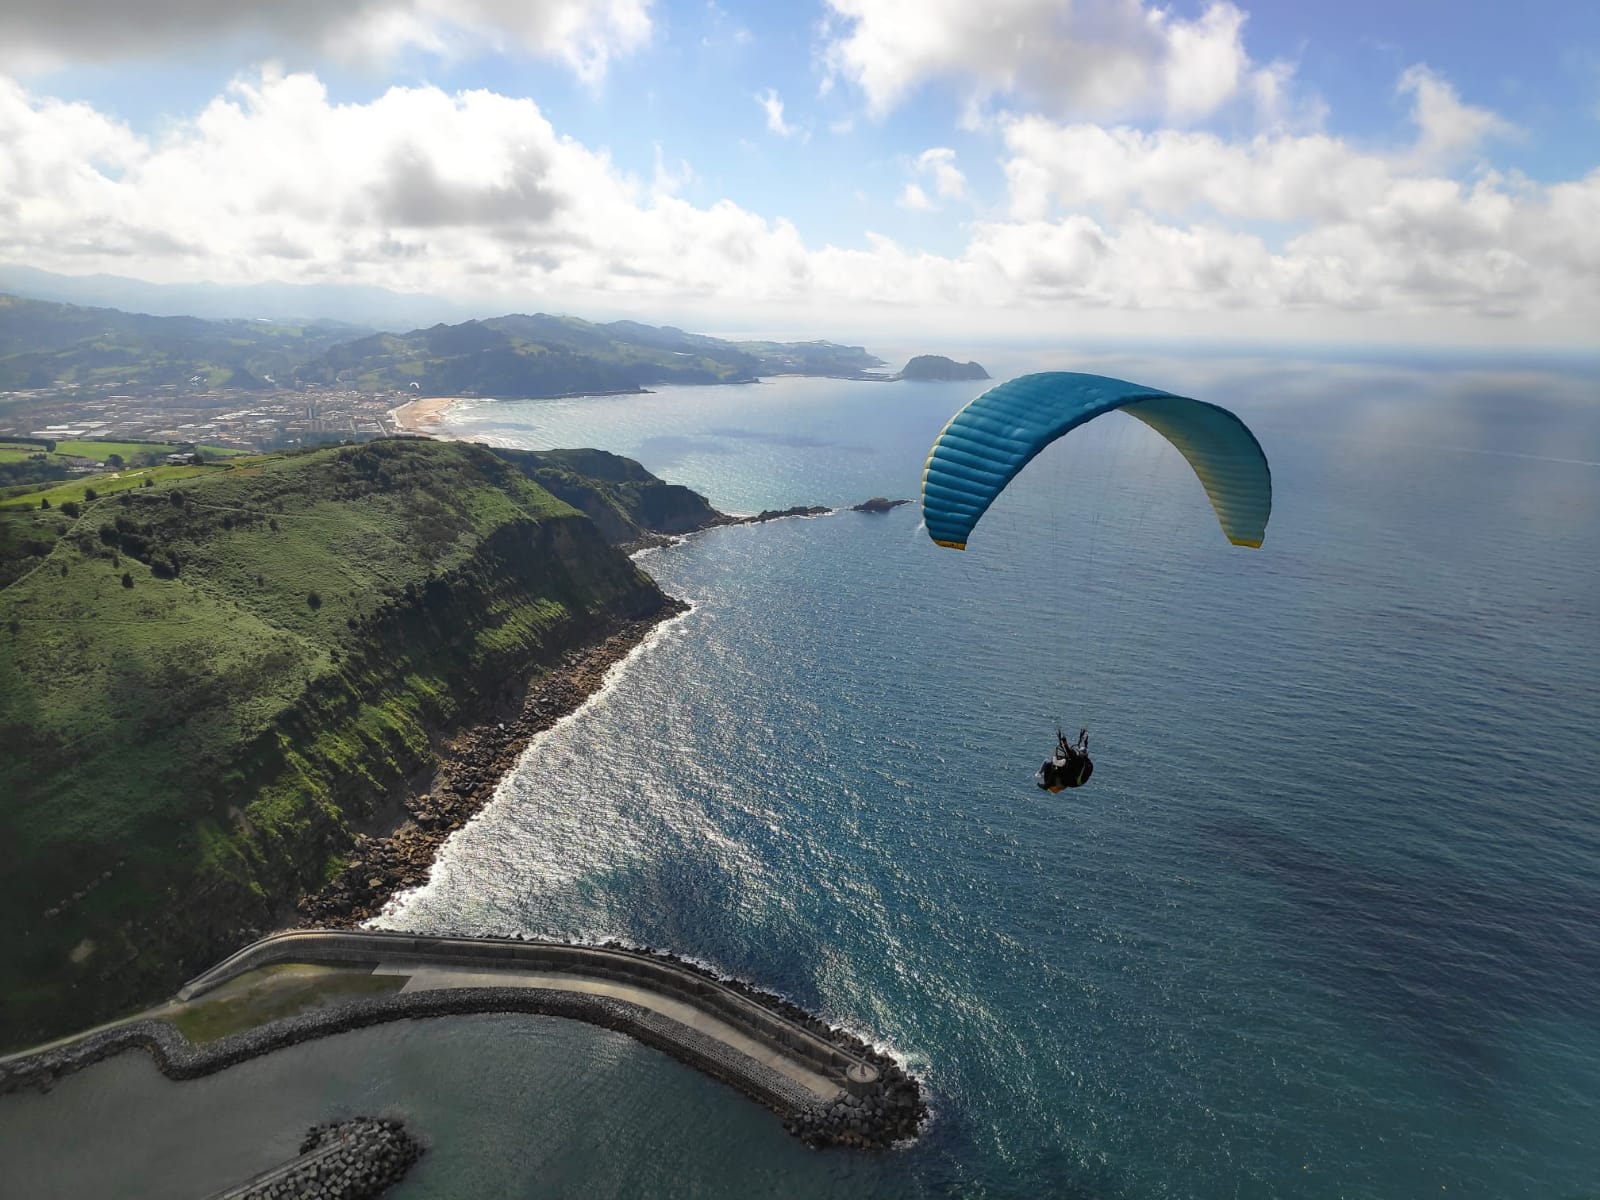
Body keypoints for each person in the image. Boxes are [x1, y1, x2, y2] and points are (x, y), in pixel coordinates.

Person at [1037, 727, 1092, 792]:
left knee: (1055, 768)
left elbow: (1069, 752)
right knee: (1065, 767)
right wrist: (1085, 741)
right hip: (1079, 782)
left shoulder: (1078, 759)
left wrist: (1064, 743)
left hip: (1072, 782)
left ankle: (1047, 786)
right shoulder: (1089, 763)